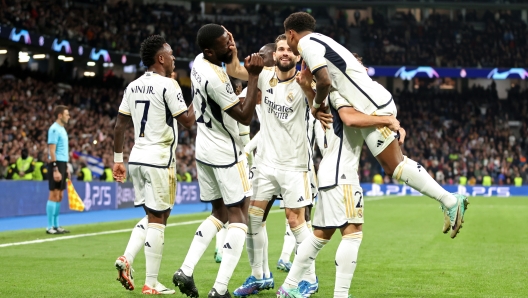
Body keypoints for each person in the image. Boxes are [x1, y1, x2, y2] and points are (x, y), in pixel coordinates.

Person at [282, 12, 468, 239]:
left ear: (291, 34)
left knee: (395, 166)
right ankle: (448, 199)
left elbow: (324, 82)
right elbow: (315, 79)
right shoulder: (320, 42)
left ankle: (450, 200)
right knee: (395, 166)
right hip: (373, 103)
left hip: (372, 107)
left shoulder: (308, 45)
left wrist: (316, 104)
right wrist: (307, 88)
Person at [277, 83, 405, 298]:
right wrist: (389, 121)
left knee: (319, 236)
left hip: (328, 172)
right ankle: (340, 295)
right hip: (342, 174)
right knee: (352, 234)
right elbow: (353, 120)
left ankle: (289, 286)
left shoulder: (321, 103)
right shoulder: (342, 100)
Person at [225, 33, 324, 297]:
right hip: (266, 163)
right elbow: (235, 70)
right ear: (275, 53)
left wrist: (307, 87)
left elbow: (319, 108)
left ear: (297, 55)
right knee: (253, 220)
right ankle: (260, 276)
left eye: (289, 50)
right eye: (281, 49)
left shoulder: (305, 81)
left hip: (294, 166)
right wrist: (233, 51)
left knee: (296, 222)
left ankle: (310, 279)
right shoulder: (265, 76)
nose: (284, 53)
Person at [171, 24, 263, 298]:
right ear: (211, 50)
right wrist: (254, 77)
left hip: (204, 149)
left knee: (218, 213)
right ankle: (220, 289)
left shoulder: (198, 63)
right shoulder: (216, 79)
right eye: (226, 43)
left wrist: (233, 57)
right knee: (239, 216)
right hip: (226, 152)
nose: (231, 44)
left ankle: (185, 271)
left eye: (231, 38)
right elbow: (245, 116)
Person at [112, 34, 195, 295]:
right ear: (160, 58)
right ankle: (151, 283)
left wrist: (118, 161)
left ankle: (126, 258)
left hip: (136, 158)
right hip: (159, 160)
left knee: (152, 216)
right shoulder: (168, 86)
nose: (173, 59)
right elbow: (188, 120)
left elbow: (119, 126)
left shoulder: (132, 86)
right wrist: (202, 95)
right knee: (159, 220)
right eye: (170, 54)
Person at [46, 105, 71, 235]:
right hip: (55, 164)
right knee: (53, 194)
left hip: (62, 163)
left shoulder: (62, 129)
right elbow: (51, 150)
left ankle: (56, 225)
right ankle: (49, 226)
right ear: (60, 115)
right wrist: (55, 168)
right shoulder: (54, 129)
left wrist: (66, 168)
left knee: (60, 195)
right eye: (67, 114)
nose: (69, 116)